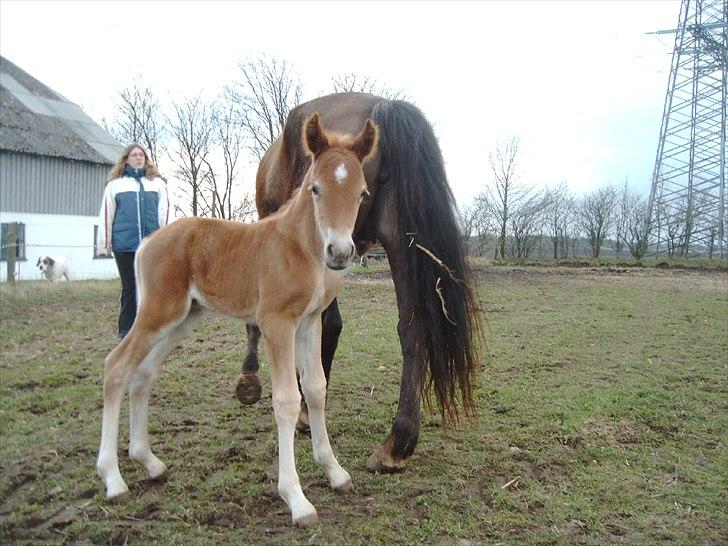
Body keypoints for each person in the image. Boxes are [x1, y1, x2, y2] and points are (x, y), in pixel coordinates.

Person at [97, 143, 170, 339]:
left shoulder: (158, 184)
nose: (138, 158)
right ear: (126, 159)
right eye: (134, 155)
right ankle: (125, 330)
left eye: (141, 155)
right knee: (130, 287)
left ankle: (149, 328)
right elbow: (106, 215)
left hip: (151, 246)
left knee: (152, 288)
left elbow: (166, 215)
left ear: (146, 159)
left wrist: (169, 243)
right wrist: (104, 244)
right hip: (125, 245)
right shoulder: (115, 185)